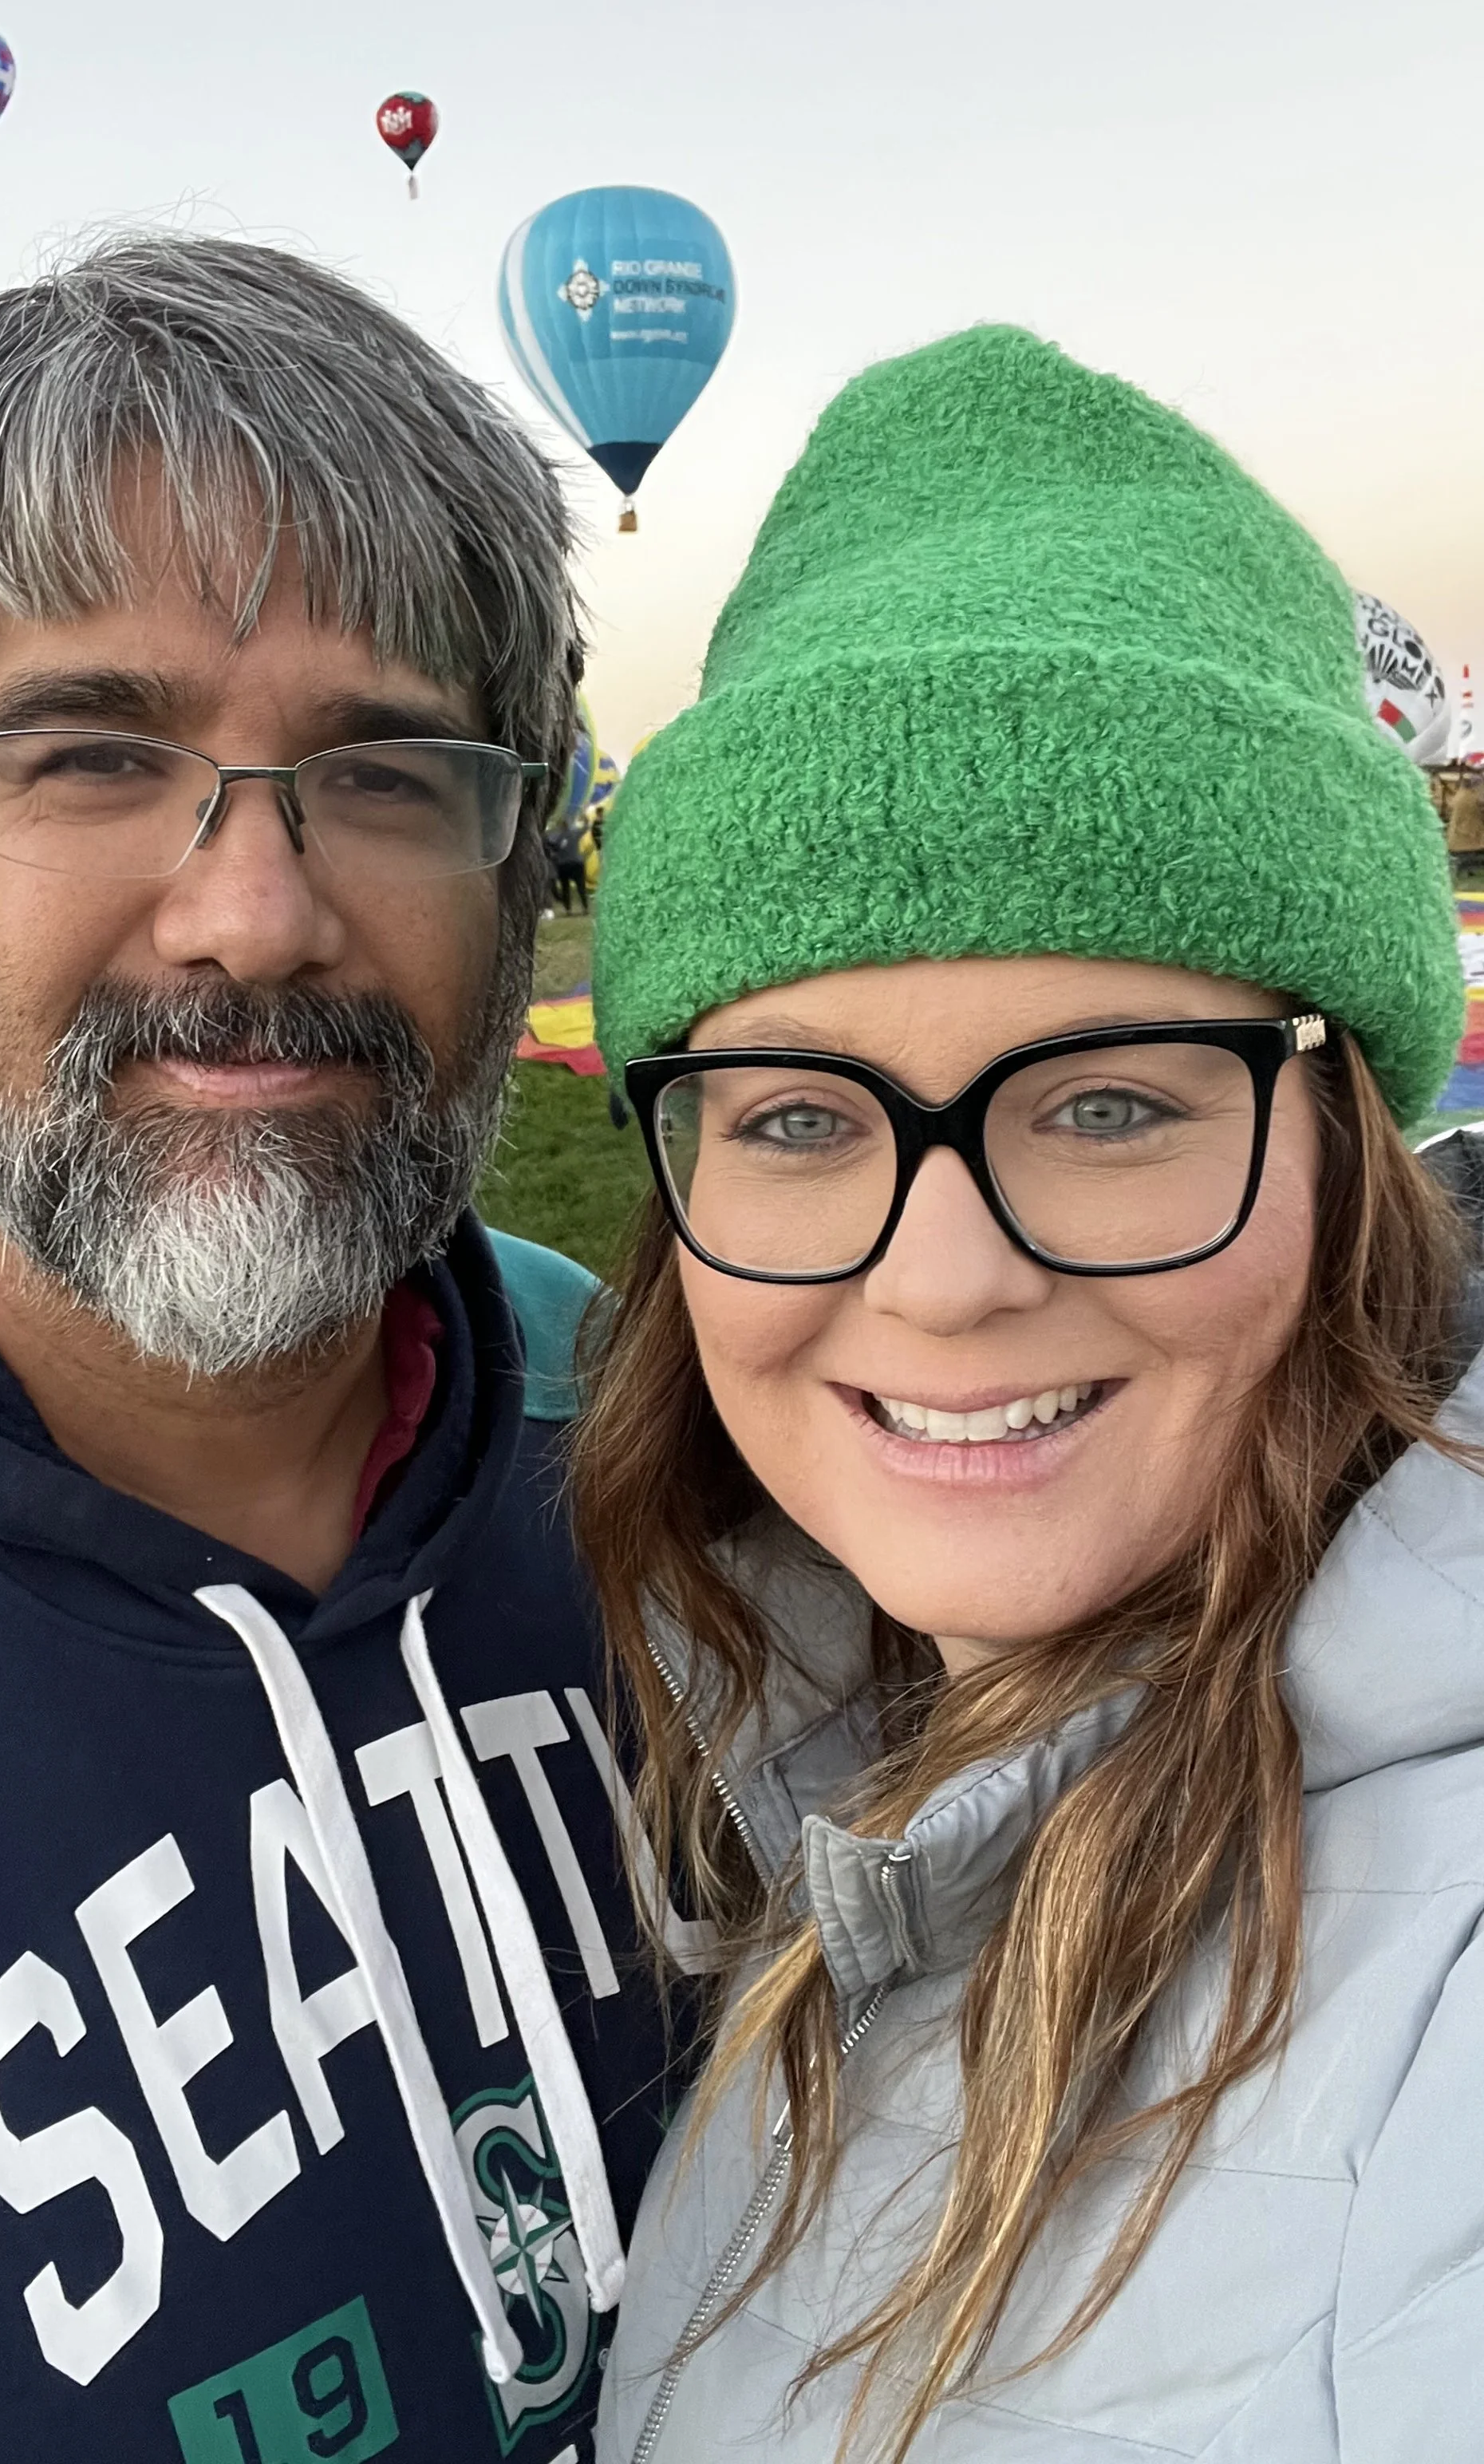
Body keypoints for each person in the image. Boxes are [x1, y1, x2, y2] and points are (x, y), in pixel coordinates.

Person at [0, 231, 671, 2464]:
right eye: (97, 754)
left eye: (391, 770)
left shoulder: (661, 1438)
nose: (252, 906)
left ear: (521, 863)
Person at [581, 329, 1484, 2461]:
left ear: (1345, 1143)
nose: (948, 1276)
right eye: (797, 1120)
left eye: (1101, 1104)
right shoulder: (786, 1748)